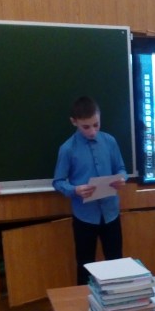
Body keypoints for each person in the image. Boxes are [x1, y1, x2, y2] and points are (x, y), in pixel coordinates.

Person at [53, 96, 127, 285]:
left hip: (111, 213)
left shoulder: (110, 141)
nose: (92, 131)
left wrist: (121, 179)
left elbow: (121, 169)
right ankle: (83, 301)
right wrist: (75, 190)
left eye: (96, 125)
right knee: (85, 266)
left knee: (116, 263)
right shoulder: (67, 149)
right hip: (84, 217)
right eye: (86, 127)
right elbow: (58, 182)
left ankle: (117, 300)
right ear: (74, 122)